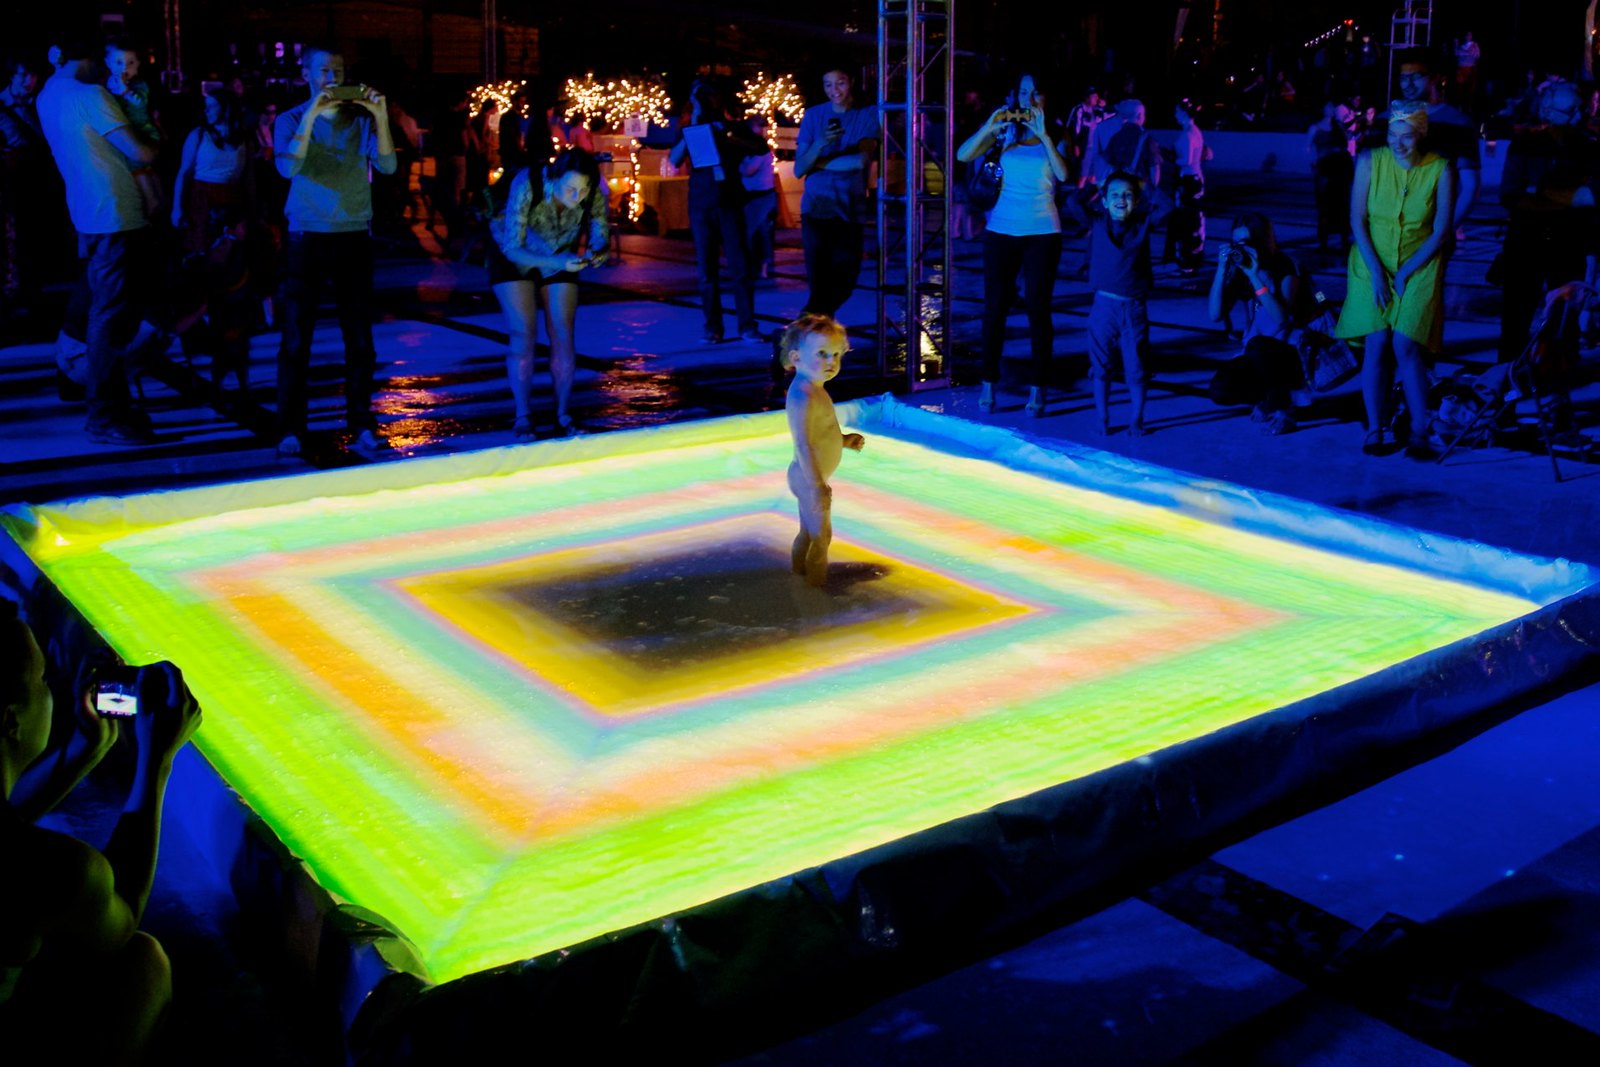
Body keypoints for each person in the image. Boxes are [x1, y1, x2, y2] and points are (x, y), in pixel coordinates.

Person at [1, 610, 203, 1062]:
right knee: (143, 963)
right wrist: (156, 762)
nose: (51, 693)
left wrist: (86, 748)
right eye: (43, 682)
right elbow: (121, 918)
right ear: (11, 720)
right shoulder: (58, 871)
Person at [272, 45, 397, 457]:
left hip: (353, 233)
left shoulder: (360, 119)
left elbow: (389, 167)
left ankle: (361, 423)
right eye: (324, 69)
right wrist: (311, 114)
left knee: (359, 338)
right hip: (305, 235)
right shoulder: (289, 119)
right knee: (296, 339)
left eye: (338, 69)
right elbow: (287, 168)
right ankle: (290, 427)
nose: (332, 76)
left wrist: (380, 114)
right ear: (306, 73)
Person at [36, 34, 161, 445]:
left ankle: (109, 404)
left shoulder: (48, 93)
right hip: (114, 215)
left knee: (101, 312)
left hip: (87, 213)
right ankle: (104, 416)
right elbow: (141, 153)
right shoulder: (91, 94)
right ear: (88, 58)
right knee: (109, 319)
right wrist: (151, 135)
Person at [1337, 101, 1456, 459]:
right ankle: (1375, 427)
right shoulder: (1369, 162)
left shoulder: (1441, 169)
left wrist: (1406, 271)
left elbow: (1441, 230)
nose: (1398, 143)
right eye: (1393, 134)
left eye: (1406, 136)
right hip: (1371, 260)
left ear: (1420, 135)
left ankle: (1420, 429)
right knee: (1377, 342)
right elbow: (1357, 221)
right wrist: (1377, 273)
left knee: (1405, 344)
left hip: (1419, 264)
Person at [956, 72, 1068, 417]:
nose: (1028, 99)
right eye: (1023, 92)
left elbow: (1064, 175)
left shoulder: (1058, 133)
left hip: (1042, 231)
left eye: (1035, 93)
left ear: (1046, 98)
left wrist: (1044, 134)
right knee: (995, 308)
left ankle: (1039, 387)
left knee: (1038, 309)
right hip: (1001, 230)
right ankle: (989, 381)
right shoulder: (1006, 133)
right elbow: (963, 155)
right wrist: (991, 126)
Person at [488, 147, 609, 439]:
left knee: (562, 331)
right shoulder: (528, 183)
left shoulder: (591, 192)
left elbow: (600, 233)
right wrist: (557, 262)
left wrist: (596, 253)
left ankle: (563, 413)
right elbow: (512, 247)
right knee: (523, 332)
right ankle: (523, 416)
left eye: (582, 191)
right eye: (570, 189)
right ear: (554, 179)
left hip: (560, 253)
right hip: (514, 252)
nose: (576, 197)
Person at [1496, 82, 1600, 362]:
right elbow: (1510, 196)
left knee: (1564, 321)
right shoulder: (1525, 146)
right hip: (1528, 242)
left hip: (1566, 242)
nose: (1578, 116)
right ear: (1547, 112)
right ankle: (1510, 378)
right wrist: (1570, 199)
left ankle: (1555, 381)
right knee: (1516, 319)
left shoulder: (1589, 148)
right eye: (1570, 111)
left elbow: (1592, 196)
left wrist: (1539, 193)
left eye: (1579, 109)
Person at [671, 78, 767, 343]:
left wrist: (725, 133)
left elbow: (760, 146)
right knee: (707, 271)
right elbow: (674, 158)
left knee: (740, 267)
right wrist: (695, 124)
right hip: (701, 205)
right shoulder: (693, 129)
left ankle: (747, 325)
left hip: (730, 204)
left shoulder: (730, 128)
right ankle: (713, 327)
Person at [782, 313, 865, 588]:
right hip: (808, 478)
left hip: (809, 478)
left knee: (808, 534)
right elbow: (803, 443)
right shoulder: (803, 396)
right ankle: (814, 591)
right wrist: (817, 486)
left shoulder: (815, 389)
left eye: (836, 355)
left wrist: (842, 440)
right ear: (796, 358)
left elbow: (821, 433)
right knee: (822, 538)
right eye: (822, 354)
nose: (831, 362)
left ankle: (799, 578)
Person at [1206, 212, 1307, 434]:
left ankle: (1285, 409)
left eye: (1248, 243)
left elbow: (1281, 319)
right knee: (1220, 389)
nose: (1242, 249)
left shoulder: (1285, 267)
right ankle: (1265, 399)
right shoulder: (1241, 269)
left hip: (1294, 353)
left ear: (1263, 241)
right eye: (1237, 243)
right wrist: (1222, 270)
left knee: (1259, 347)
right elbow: (1215, 314)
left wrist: (1255, 276)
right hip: (1258, 352)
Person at [794, 67, 879, 318]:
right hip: (816, 208)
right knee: (820, 284)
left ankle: (804, 329)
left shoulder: (867, 115)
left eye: (840, 83)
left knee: (845, 280)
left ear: (850, 82)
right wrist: (820, 143)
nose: (835, 90)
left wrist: (815, 162)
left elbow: (859, 161)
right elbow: (800, 168)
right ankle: (813, 337)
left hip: (849, 208)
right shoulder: (814, 115)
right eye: (828, 84)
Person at [1086, 171, 1155, 436]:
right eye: (1114, 195)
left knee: (1137, 368)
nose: (1121, 200)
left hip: (1134, 309)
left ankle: (1136, 420)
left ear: (1136, 201)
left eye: (1127, 195)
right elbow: (1072, 204)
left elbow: (1168, 206)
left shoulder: (1143, 225)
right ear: (1104, 201)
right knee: (1101, 366)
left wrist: (1144, 186)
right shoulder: (1098, 223)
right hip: (1104, 307)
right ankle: (1102, 418)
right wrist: (1095, 185)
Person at [171, 88, 252, 255]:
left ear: (225, 108)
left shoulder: (244, 140)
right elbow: (184, 172)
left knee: (228, 252)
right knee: (201, 248)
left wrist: (252, 210)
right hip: (202, 197)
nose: (206, 110)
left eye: (212, 106)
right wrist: (177, 207)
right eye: (206, 106)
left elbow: (249, 179)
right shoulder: (199, 135)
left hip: (232, 198)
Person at [103, 40, 163, 223]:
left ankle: (155, 203)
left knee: (143, 166)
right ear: (108, 63)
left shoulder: (139, 86)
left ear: (138, 65)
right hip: (127, 136)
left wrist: (125, 90)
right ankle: (153, 203)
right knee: (140, 169)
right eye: (119, 63)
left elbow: (140, 103)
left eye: (131, 63)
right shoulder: (106, 87)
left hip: (143, 134)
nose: (125, 68)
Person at [1307, 100, 1356, 251]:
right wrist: (1314, 166)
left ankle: (1343, 239)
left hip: (1340, 171)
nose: (1330, 109)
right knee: (1324, 207)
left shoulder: (1340, 127)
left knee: (1342, 206)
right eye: (1327, 106)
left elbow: (1350, 146)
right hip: (1324, 172)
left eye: (1332, 107)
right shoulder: (1315, 128)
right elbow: (1309, 149)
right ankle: (1323, 241)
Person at [1166, 99, 1206, 273]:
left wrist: (1166, 156)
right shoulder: (1194, 131)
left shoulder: (1187, 134)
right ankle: (1192, 258)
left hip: (1188, 181)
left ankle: (1187, 262)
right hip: (1194, 180)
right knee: (1193, 221)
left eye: (1177, 111)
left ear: (1183, 113)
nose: (1175, 115)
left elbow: (1186, 161)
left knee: (1187, 222)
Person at [741, 114, 778, 281]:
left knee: (753, 231)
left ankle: (757, 265)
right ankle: (761, 265)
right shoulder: (757, 145)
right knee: (760, 231)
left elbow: (748, 170)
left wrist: (738, 162)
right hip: (760, 194)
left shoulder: (759, 147)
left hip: (760, 195)